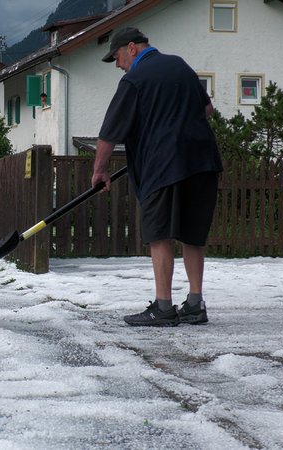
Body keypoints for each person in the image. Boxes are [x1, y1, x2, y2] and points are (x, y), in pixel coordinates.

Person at [93, 27, 223, 327]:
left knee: (159, 233)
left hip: (162, 164)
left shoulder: (134, 80)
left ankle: (163, 307)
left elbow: (109, 133)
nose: (117, 64)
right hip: (202, 161)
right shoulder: (180, 66)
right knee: (192, 234)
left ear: (132, 48)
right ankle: (194, 304)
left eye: (116, 56)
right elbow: (208, 110)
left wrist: (99, 171)